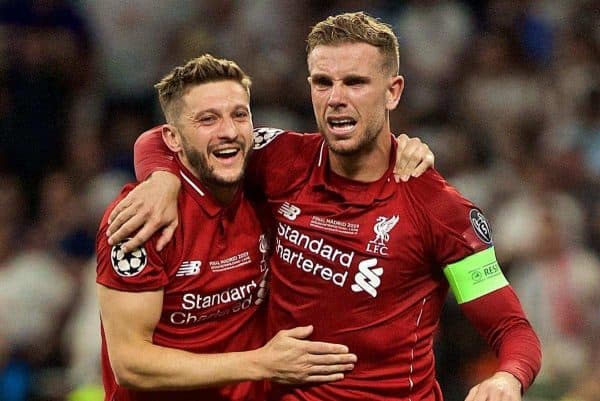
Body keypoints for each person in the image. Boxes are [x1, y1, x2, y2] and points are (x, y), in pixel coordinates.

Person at [107, 12, 541, 401]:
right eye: (322, 82)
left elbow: (511, 329)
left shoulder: (440, 211)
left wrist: (509, 376)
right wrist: (160, 177)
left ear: (393, 92)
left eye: (355, 82)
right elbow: (172, 137)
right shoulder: (280, 159)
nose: (336, 98)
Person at [96, 54, 367, 401]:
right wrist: (260, 363)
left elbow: (355, 149)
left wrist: (404, 149)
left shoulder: (267, 184)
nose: (228, 131)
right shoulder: (143, 218)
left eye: (239, 115)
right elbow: (131, 363)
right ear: (173, 139)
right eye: (207, 119)